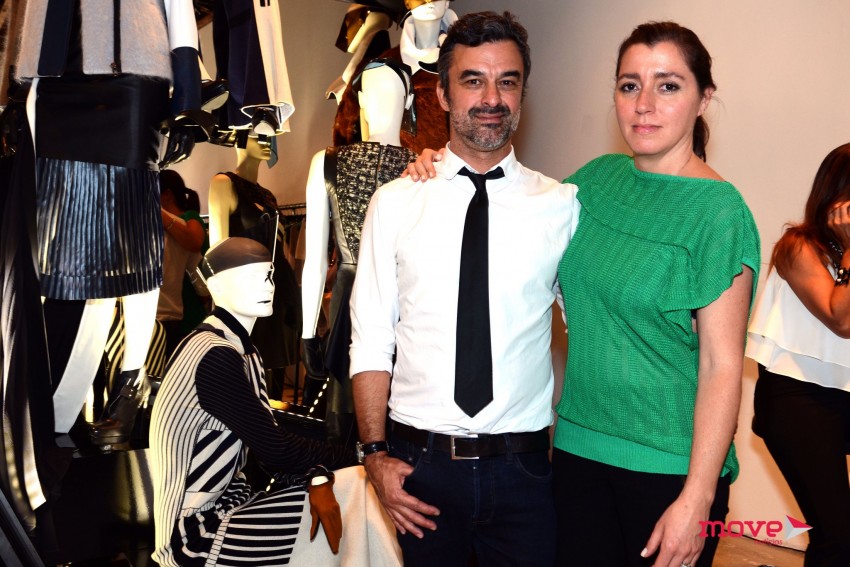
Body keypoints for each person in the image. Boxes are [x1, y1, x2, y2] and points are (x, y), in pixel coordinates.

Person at [407, 20, 760, 567]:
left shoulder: (720, 214)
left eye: (668, 86)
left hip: (668, 468)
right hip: (574, 456)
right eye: (629, 85)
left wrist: (698, 496)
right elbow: (514, 216)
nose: (644, 104)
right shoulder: (594, 183)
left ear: (703, 98)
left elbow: (721, 366)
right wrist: (440, 164)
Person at [350, 11, 580, 566]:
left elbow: (592, 329)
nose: (491, 98)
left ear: (523, 94)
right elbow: (372, 339)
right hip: (419, 467)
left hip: (524, 470)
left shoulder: (562, 206)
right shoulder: (396, 202)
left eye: (508, 81)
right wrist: (374, 455)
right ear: (442, 94)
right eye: (473, 80)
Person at [151, 237, 401, 566]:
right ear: (215, 286)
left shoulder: (242, 349)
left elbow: (270, 448)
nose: (267, 286)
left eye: (268, 275)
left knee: (353, 492)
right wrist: (363, 456)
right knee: (357, 488)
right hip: (193, 534)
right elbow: (274, 449)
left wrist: (318, 474)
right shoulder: (213, 354)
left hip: (231, 505)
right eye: (250, 277)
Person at [301, 58, 417, 444]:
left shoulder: (425, 169)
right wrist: (307, 334)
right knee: (359, 419)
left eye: (392, 91)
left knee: (382, 418)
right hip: (371, 300)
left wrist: (308, 332)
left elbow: (316, 261)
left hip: (389, 301)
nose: (382, 100)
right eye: (374, 91)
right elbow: (315, 261)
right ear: (361, 100)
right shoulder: (422, 168)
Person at [747, 143, 850, 567]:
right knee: (838, 539)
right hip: (799, 398)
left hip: (844, 395)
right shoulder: (797, 247)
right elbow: (840, 318)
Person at [207, 131, 302, 388]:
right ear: (237, 136)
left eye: (269, 136)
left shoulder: (268, 196)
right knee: (243, 375)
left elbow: (281, 249)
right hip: (244, 293)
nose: (266, 141)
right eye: (257, 135)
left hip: (277, 290)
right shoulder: (224, 184)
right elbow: (217, 252)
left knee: (273, 379)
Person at [156, 170, 208, 358]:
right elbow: (200, 279)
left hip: (183, 306)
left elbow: (195, 243)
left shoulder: (187, 222)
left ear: (167, 194)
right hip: (175, 309)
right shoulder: (179, 225)